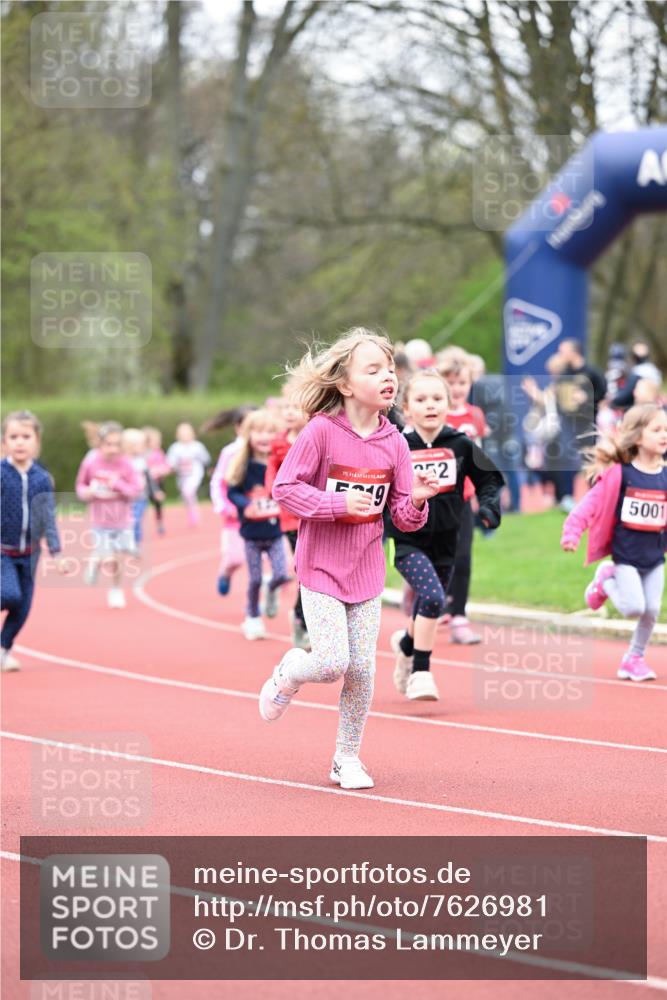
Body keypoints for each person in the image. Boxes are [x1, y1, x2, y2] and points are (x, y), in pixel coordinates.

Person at [260, 328, 440, 790]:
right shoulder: (321, 432)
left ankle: (346, 758)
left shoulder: (395, 443)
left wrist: (417, 501)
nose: (388, 378)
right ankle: (289, 671)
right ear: (345, 383)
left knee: (361, 669)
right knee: (332, 661)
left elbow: (401, 515)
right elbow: (285, 488)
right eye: (373, 369)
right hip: (320, 567)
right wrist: (336, 505)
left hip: (366, 571)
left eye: (391, 369)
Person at [386, 370, 503, 700]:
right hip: (408, 540)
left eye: (437, 399)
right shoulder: (397, 446)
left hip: (447, 539)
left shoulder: (460, 444)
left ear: (449, 404)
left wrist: (490, 509)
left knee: (430, 600)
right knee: (435, 598)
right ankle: (421, 672)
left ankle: (407, 643)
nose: (430, 406)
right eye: (421, 400)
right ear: (406, 408)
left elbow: (489, 479)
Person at [560, 403, 667, 681]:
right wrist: (572, 532)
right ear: (638, 437)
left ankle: (634, 658)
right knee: (634, 608)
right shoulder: (620, 475)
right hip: (626, 556)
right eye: (657, 430)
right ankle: (605, 580)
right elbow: (588, 506)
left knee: (652, 610)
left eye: (666, 429)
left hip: (655, 556)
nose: (664, 435)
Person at [1, 411, 64, 670]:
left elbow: (47, 515)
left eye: (25, 437)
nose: (19, 442)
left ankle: (3, 650)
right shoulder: (1, 474)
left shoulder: (41, 478)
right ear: (4, 441)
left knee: (23, 607)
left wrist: (57, 552)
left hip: (30, 553)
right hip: (2, 550)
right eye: (13, 437)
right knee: (9, 594)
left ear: (36, 441)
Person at [226, 409, 290, 640]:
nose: (264, 437)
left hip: (275, 532)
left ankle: (271, 590)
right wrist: (245, 504)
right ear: (247, 434)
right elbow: (232, 491)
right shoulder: (243, 465)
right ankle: (252, 616)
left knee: (282, 575)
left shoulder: (282, 463)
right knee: (254, 578)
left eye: (270, 432)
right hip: (252, 533)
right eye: (258, 431)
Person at [438, 354, 489, 643]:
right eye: (451, 382)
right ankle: (432, 596)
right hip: (435, 499)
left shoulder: (475, 416)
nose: (457, 388)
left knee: (464, 556)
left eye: (462, 382)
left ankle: (459, 616)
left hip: (464, 497)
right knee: (440, 556)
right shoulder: (434, 414)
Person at [75, 421, 143, 609]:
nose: (113, 449)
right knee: (109, 556)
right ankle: (96, 561)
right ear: (100, 444)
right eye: (108, 444)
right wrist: (90, 491)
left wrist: (118, 484)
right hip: (100, 519)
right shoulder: (91, 461)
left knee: (118, 559)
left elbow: (136, 490)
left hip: (122, 520)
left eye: (117, 445)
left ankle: (115, 589)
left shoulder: (127, 464)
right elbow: (80, 486)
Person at [265, 387, 310, 649]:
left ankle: (301, 618)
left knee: (309, 573)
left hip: (314, 513)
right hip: (291, 517)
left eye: (296, 408)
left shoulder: (313, 438)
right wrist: (275, 492)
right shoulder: (279, 443)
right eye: (287, 409)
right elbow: (273, 473)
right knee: (304, 570)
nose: (290, 413)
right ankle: (300, 620)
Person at [206, 406, 257, 597]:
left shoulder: (265, 451)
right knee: (235, 559)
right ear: (238, 428)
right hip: (234, 517)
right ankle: (225, 572)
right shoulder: (230, 452)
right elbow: (218, 482)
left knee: (257, 564)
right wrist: (224, 507)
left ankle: (253, 607)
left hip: (259, 517)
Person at [167, 423, 211, 527]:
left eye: (187, 434)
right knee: (187, 495)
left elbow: (205, 459)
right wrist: (171, 467)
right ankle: (191, 511)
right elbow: (170, 462)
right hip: (182, 476)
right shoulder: (175, 448)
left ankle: (194, 515)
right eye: (182, 434)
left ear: (192, 434)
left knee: (188, 491)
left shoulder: (197, 446)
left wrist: (208, 467)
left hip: (195, 474)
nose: (185, 436)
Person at [143, 427, 171, 536]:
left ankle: (159, 523)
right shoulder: (144, 453)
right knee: (143, 503)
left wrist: (163, 470)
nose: (158, 443)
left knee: (158, 505)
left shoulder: (159, 452)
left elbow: (166, 465)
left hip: (158, 483)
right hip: (147, 484)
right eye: (156, 441)